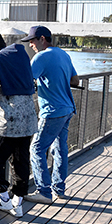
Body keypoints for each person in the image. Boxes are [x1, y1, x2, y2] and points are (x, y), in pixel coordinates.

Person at [0, 31, 38, 218]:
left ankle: (3, 197)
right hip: (28, 119)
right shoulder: (21, 56)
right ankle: (17, 204)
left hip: (9, 121)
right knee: (20, 160)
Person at [22, 26, 79, 204]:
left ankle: (44, 192)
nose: (30, 44)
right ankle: (59, 189)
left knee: (36, 149)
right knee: (59, 149)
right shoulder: (63, 54)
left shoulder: (41, 57)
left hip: (52, 112)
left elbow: (26, 79)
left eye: (32, 40)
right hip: (67, 108)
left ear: (43, 39)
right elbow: (75, 80)